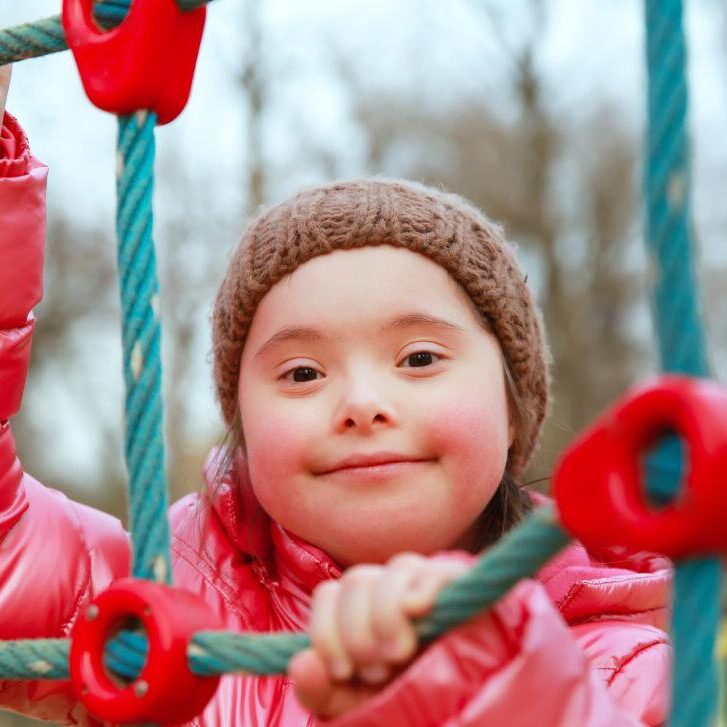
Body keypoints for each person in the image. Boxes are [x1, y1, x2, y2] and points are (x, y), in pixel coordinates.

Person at [0, 64, 671, 726]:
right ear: (242, 427)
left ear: (512, 406)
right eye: (301, 373)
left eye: (418, 357)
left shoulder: (614, 660)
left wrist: (500, 686)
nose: (360, 401)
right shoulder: (158, 591)